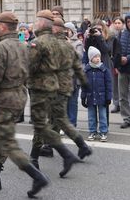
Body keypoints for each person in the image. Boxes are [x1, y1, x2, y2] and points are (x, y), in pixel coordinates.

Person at [0, 11, 49, 198]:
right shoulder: (25, 46)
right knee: (1, 136)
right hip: (19, 95)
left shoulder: (0, 48)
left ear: (2, 26)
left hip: (5, 98)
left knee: (6, 141)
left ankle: (36, 175)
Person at [29, 18, 92, 170]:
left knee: (43, 122)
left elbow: (32, 66)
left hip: (49, 87)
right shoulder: (67, 45)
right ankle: (79, 146)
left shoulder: (46, 43)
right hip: (64, 87)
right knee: (59, 120)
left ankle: (35, 157)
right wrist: (84, 84)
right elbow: (78, 66)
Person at [81, 46, 112, 142]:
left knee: (103, 115)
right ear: (91, 58)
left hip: (102, 97)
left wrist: (108, 97)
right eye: (95, 56)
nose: (98, 58)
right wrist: (83, 97)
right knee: (91, 116)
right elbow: (84, 85)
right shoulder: (86, 70)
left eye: (99, 56)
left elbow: (108, 84)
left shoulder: (104, 70)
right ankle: (92, 131)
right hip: (90, 97)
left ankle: (103, 132)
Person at [64, 21, 83, 127]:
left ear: (72, 31)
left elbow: (79, 57)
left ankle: (72, 123)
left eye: (67, 30)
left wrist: (69, 44)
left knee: (72, 102)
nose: (66, 32)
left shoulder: (78, 43)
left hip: (74, 77)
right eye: (64, 30)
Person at [110, 17, 124, 113]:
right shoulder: (111, 35)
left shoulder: (125, 35)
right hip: (113, 62)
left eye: (119, 23)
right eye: (116, 23)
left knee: (123, 86)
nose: (117, 25)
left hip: (123, 63)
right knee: (115, 85)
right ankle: (116, 104)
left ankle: (124, 104)